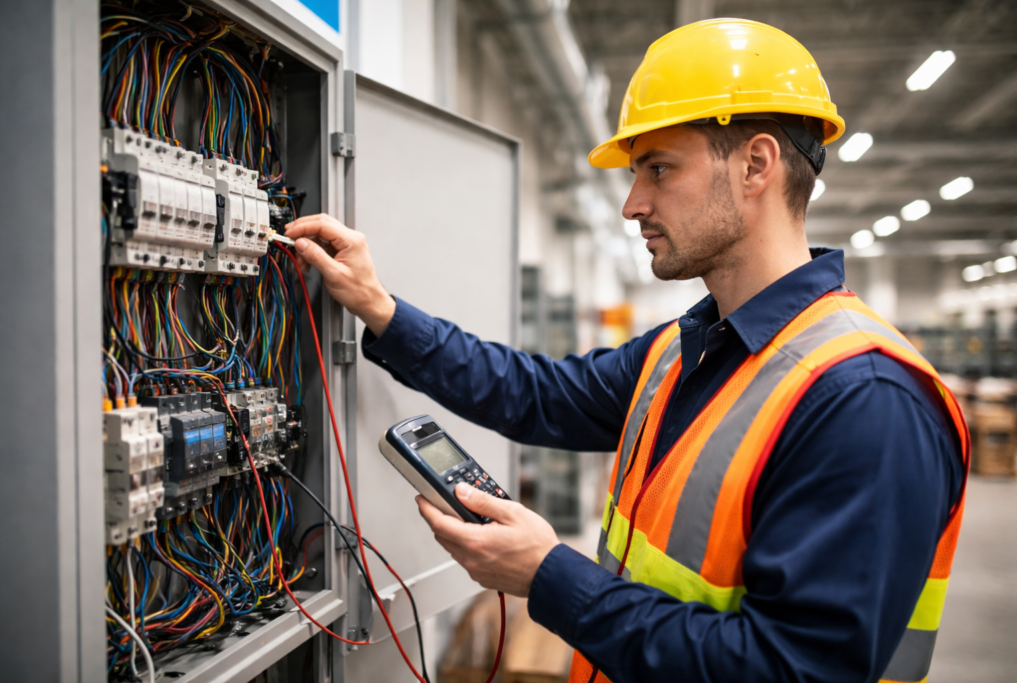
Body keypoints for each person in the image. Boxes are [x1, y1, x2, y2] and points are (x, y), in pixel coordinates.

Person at [285, 19, 968, 683]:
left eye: (658, 168)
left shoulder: (864, 397)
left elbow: (792, 667)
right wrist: (382, 309)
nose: (632, 203)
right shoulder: (686, 350)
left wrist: (550, 575)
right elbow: (535, 394)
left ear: (756, 164)